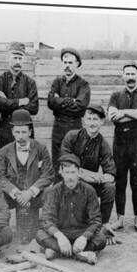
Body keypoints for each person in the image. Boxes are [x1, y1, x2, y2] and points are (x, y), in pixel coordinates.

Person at [0, 109, 54, 243]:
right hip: (13, 195)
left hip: (35, 195)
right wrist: (15, 192)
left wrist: (31, 192)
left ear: (30, 132)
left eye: (24, 132)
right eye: (17, 132)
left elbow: (48, 174)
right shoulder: (5, 151)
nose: (20, 136)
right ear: (12, 132)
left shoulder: (41, 148)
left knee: (52, 193)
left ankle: (47, 229)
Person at [108, 61, 137, 232]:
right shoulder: (115, 96)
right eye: (127, 74)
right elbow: (112, 116)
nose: (130, 77)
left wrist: (124, 112)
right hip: (119, 143)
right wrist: (135, 115)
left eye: (132, 74)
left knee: (136, 182)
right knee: (120, 182)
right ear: (123, 76)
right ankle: (120, 219)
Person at [35, 154, 106, 265]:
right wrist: (59, 236)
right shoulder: (54, 191)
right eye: (67, 173)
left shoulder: (89, 191)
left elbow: (96, 220)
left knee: (101, 239)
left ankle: (57, 252)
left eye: (73, 172)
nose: (70, 177)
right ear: (61, 173)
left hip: (81, 232)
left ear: (79, 173)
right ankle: (80, 254)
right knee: (40, 234)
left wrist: (84, 237)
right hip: (61, 233)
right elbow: (46, 219)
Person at [60, 104, 116, 234]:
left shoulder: (103, 144)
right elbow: (66, 165)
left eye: (95, 119)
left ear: (102, 121)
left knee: (109, 187)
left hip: (90, 184)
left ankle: (103, 224)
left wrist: (98, 178)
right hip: (69, 181)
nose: (92, 123)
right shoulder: (72, 136)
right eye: (89, 119)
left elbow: (111, 174)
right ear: (84, 120)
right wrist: (89, 174)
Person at [47, 47, 91, 179]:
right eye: (65, 62)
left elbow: (80, 105)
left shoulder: (83, 84)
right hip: (58, 128)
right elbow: (50, 102)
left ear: (77, 64)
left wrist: (59, 100)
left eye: (70, 63)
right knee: (57, 166)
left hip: (74, 128)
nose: (67, 66)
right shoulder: (56, 82)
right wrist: (70, 100)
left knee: (74, 164)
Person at [0, 42, 39, 150]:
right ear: (8, 58)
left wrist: (8, 102)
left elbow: (34, 108)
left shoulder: (30, 82)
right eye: (14, 58)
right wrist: (20, 102)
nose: (17, 61)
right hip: (6, 128)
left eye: (20, 58)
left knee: (26, 161)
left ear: (24, 60)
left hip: (25, 129)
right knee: (6, 160)